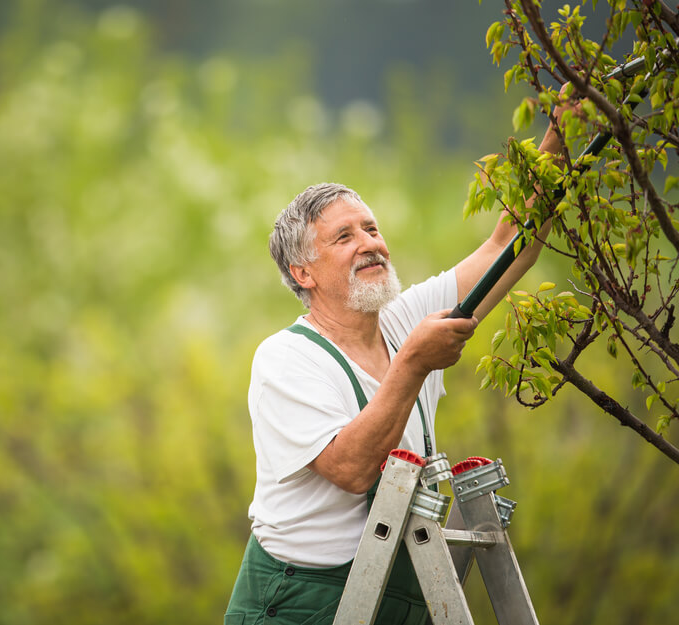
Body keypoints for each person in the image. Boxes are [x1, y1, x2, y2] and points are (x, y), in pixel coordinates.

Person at [225, 107, 569, 624]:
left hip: (393, 597)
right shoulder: (285, 358)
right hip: (297, 606)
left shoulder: (404, 317)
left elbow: (508, 246)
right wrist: (412, 363)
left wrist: (563, 131)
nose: (370, 243)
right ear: (303, 272)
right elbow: (351, 468)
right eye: (344, 238)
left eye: (371, 228)